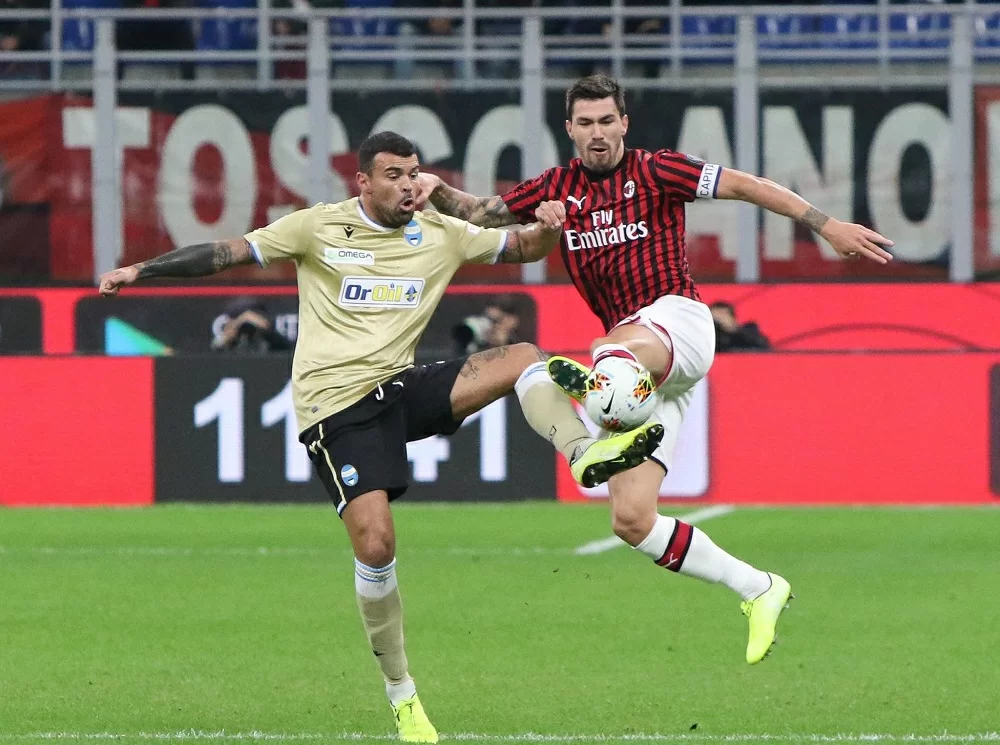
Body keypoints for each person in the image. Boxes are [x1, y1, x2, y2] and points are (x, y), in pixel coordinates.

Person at [98, 130, 663, 744]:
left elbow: (522, 247)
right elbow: (226, 252)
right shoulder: (318, 228)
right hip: (337, 407)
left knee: (524, 355)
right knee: (376, 544)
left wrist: (550, 227)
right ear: (362, 182)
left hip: (398, 387)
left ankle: (584, 455)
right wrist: (140, 269)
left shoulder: (441, 231)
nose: (408, 186)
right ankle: (402, 694)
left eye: (414, 173)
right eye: (393, 175)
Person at [416, 74, 895, 666]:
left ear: (625, 123)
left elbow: (746, 186)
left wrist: (825, 225)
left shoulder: (657, 170)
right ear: (569, 130)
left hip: (677, 323)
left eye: (607, 121)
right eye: (585, 123)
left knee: (609, 354)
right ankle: (759, 588)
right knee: (632, 519)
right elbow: (481, 212)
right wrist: (439, 189)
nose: (597, 133)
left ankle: (594, 387)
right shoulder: (556, 188)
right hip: (648, 367)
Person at [211, 296, 294, 354]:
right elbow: (215, 351)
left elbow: (285, 347)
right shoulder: (232, 339)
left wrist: (263, 327)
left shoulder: (267, 336)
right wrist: (234, 327)